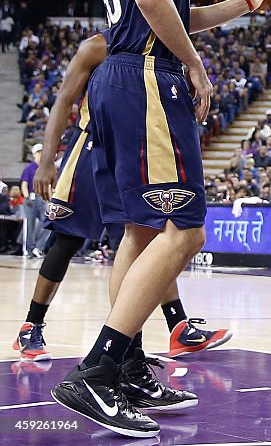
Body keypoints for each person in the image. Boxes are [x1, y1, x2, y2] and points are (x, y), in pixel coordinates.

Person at [51, 0, 271, 436]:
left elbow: (171, 6)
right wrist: (197, 67)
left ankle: (124, 366)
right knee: (186, 231)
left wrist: (243, 4)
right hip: (148, 78)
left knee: (141, 227)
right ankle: (98, 369)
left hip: (122, 78)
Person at [14, 33, 232, 363]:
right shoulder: (97, 47)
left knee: (144, 239)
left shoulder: (162, 46)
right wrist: (46, 162)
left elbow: (188, 18)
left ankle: (173, 329)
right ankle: (32, 325)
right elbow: (63, 102)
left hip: (131, 147)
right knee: (68, 239)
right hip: (90, 145)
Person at [21, 144, 50, 257]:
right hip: (31, 198)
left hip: (43, 198)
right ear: (34, 155)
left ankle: (38, 247)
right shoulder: (29, 168)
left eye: (42, 152)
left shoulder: (46, 169)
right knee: (29, 225)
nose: (41, 154)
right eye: (38, 152)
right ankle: (28, 250)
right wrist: (26, 197)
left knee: (47, 224)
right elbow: (24, 184)